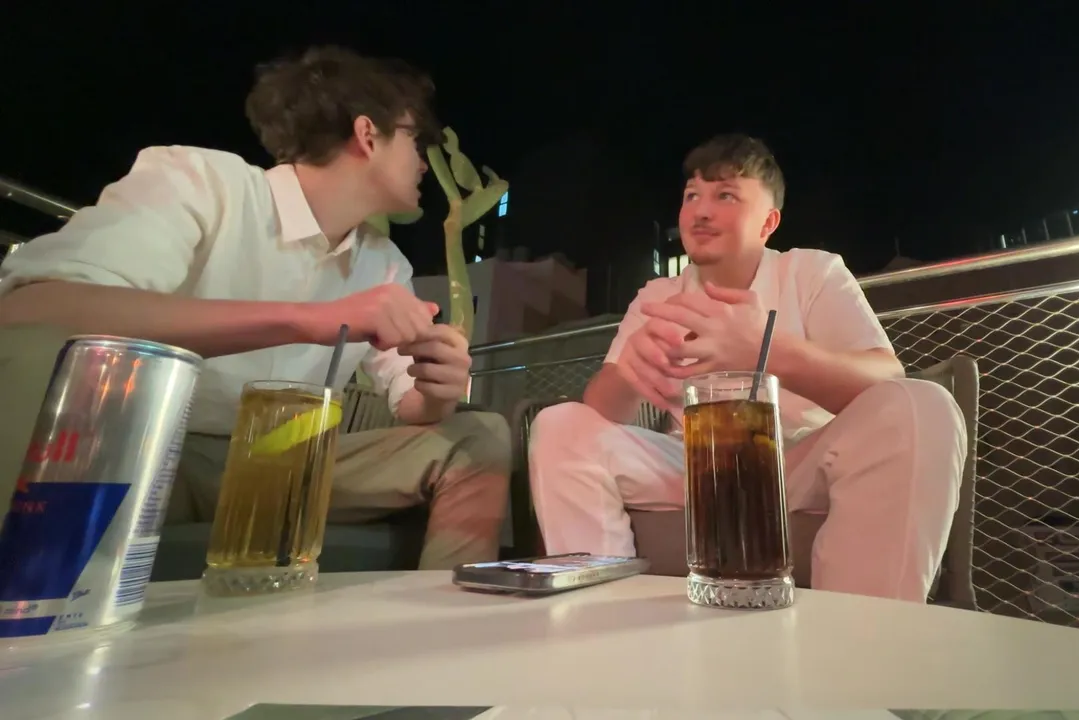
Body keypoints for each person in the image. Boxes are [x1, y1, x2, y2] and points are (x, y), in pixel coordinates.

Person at [0, 46, 512, 570]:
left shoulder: (385, 264)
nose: (424, 161)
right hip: (143, 449)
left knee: (480, 436)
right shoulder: (204, 182)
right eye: (416, 140)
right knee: (30, 360)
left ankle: (448, 615)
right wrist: (308, 320)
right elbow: (36, 309)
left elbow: (411, 404)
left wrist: (437, 388)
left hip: (278, 462)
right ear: (367, 134)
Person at [528, 134, 966, 602]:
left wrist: (766, 349)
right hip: (693, 464)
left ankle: (861, 634)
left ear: (768, 222)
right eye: (691, 195)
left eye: (725, 195)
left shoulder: (810, 272)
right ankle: (601, 617)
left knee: (922, 406)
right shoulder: (658, 296)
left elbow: (886, 378)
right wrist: (629, 373)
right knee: (559, 425)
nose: (700, 211)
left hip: (799, 462)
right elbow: (600, 410)